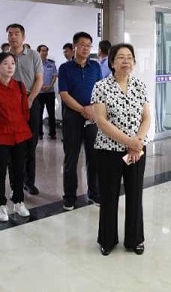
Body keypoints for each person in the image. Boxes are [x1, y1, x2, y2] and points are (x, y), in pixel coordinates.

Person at [92, 43, 150, 256]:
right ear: (112, 62)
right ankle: (107, 239)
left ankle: (135, 239)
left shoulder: (140, 85)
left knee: (135, 194)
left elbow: (146, 117)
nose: (126, 61)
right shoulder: (101, 86)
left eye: (129, 57)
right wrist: (129, 141)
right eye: (121, 57)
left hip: (137, 150)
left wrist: (138, 142)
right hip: (109, 151)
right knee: (109, 195)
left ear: (134, 62)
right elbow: (101, 121)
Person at [0, 52, 32, 221]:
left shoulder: (19, 86)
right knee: (0, 171)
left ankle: (18, 201)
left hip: (19, 133)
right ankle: (1, 205)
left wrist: (19, 124)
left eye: (12, 63)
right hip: (0, 135)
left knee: (19, 170)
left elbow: (25, 110)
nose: (10, 66)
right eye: (5, 63)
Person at [58, 32, 102, 210]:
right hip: (72, 117)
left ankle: (94, 193)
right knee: (71, 158)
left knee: (94, 157)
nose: (86, 48)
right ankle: (69, 197)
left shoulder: (95, 66)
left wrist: (92, 108)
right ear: (74, 46)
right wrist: (83, 109)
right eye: (82, 44)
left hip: (92, 117)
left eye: (88, 45)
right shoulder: (65, 68)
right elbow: (64, 94)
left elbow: (100, 90)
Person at [7, 23, 43, 195]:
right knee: (13, 144)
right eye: (10, 34)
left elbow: (39, 79)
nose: (13, 36)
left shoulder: (34, 55)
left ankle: (29, 182)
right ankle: (16, 183)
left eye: (16, 33)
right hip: (10, 104)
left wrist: (29, 99)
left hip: (31, 100)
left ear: (23, 37)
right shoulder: (5, 57)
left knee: (30, 144)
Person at [36, 44, 58, 140]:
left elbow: (54, 76)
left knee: (51, 114)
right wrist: (40, 87)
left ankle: (52, 133)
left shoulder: (51, 64)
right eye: (43, 51)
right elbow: (33, 78)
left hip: (50, 92)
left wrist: (50, 86)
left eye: (46, 51)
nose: (45, 52)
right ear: (38, 52)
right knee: (39, 114)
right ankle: (39, 133)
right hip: (39, 93)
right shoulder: (35, 64)